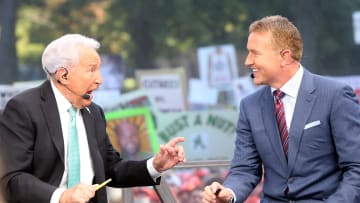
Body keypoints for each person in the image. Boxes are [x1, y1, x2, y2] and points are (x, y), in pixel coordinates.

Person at [0, 34, 186, 203]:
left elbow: (111, 169)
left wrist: (154, 165)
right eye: (92, 70)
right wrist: (61, 197)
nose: (100, 80)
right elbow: (13, 179)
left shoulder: (94, 113)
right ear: (63, 75)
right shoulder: (23, 108)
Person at [202, 15, 360, 203]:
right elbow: (244, 169)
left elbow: (356, 168)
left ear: (284, 57)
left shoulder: (335, 95)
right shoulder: (249, 106)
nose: (247, 61)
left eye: (255, 53)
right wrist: (228, 194)